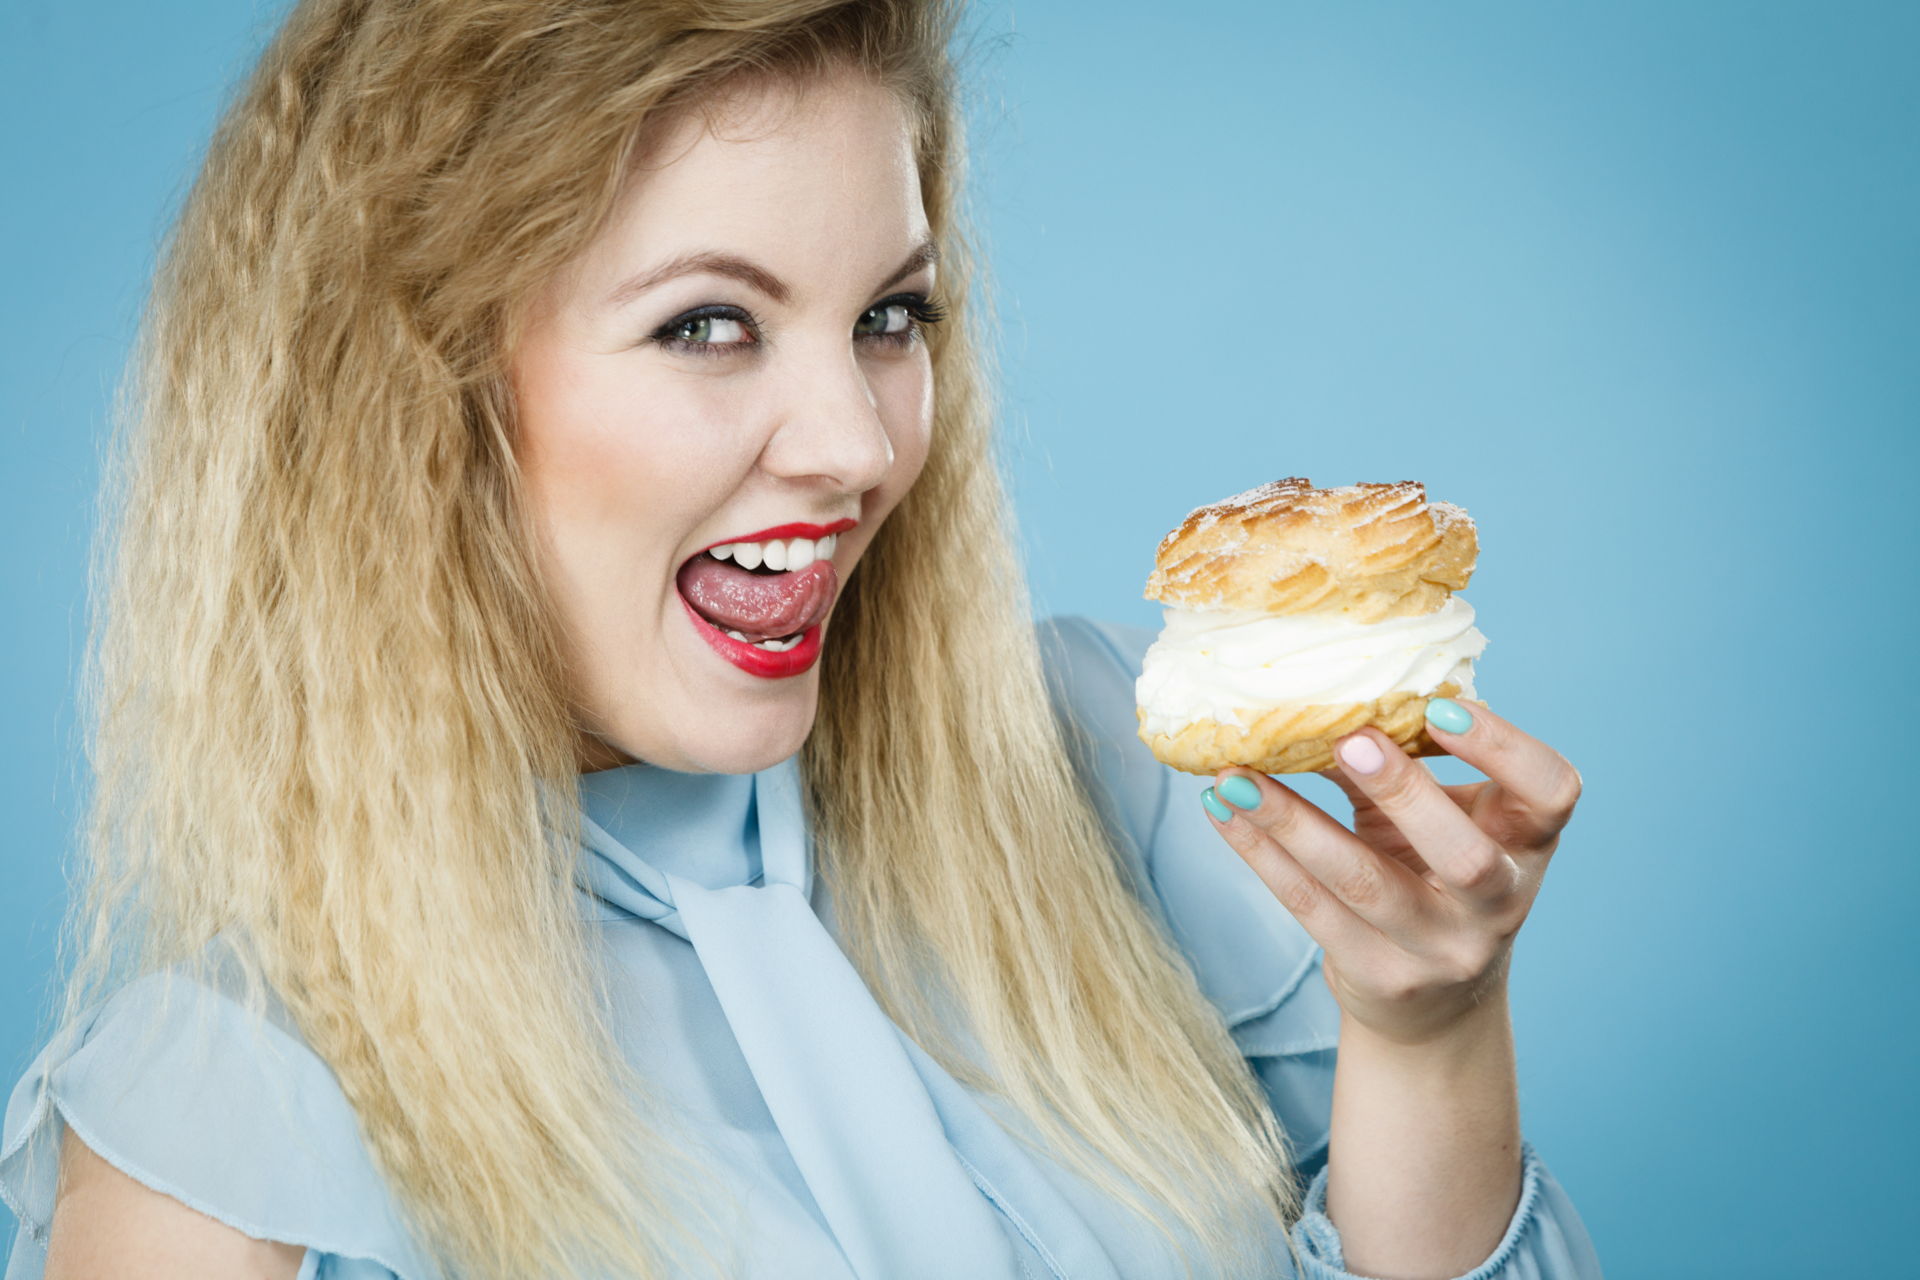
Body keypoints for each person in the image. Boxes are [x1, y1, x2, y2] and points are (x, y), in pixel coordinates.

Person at [0, 2, 1604, 1278]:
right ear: (409, 406)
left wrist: (1432, 1034)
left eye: (888, 318)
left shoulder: (1109, 764)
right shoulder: (215, 1125)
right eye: (709, 324)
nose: (853, 444)